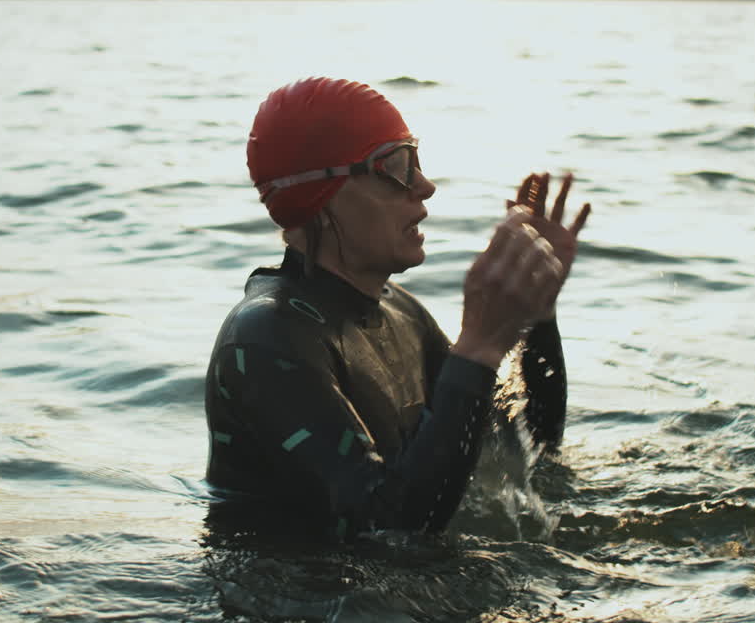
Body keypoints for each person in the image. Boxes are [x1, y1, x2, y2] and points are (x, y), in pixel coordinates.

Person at [204, 77, 590, 542]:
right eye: (398, 165)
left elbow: (528, 456)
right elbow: (391, 531)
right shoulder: (266, 341)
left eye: (417, 160)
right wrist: (478, 349)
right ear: (322, 192)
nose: (424, 186)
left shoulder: (402, 314)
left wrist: (536, 313)